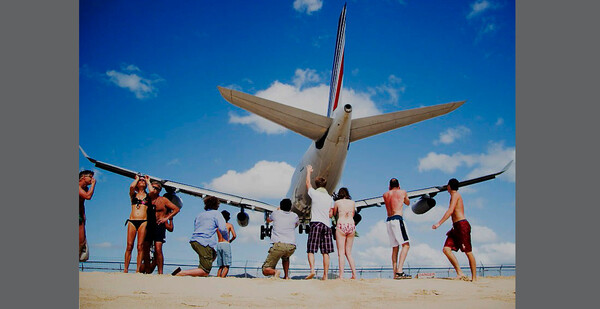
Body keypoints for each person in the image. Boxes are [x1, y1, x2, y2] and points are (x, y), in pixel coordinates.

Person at [432, 178, 477, 282]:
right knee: (446, 249)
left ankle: (474, 278)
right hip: (455, 227)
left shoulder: (455, 195)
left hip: (462, 225)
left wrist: (439, 223)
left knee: (468, 252)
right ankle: (459, 272)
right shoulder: (453, 195)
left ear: (449, 186)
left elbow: (451, 210)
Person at [172, 196, 228, 277]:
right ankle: (181, 273)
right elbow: (223, 228)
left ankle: (199, 271)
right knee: (205, 271)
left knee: (213, 254)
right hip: (205, 242)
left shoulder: (200, 215)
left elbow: (196, 226)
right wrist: (226, 238)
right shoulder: (217, 213)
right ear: (217, 205)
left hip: (194, 241)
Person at [142, 180, 180, 274]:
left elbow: (176, 209)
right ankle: (147, 270)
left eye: (156, 188)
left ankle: (160, 272)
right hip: (150, 225)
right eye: (152, 187)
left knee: (158, 248)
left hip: (159, 225)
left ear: (159, 190)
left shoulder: (163, 200)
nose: (153, 189)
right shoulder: (147, 199)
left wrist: (166, 218)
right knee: (145, 247)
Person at [304, 165, 334, 280]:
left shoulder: (315, 194)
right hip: (327, 225)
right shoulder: (330, 199)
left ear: (317, 185)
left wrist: (308, 172)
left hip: (316, 223)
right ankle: (325, 275)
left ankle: (312, 270)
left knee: (311, 249)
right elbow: (331, 214)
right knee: (325, 252)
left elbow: (307, 183)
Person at [124, 174, 156, 273]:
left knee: (140, 246)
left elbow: (152, 191)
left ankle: (137, 270)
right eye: (140, 181)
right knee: (129, 246)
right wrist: (137, 178)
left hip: (143, 221)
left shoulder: (148, 196)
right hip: (132, 220)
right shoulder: (133, 194)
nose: (141, 182)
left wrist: (148, 181)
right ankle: (125, 269)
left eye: (143, 181)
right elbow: (131, 187)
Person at [262, 198, 300, 279]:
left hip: (279, 245)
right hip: (291, 246)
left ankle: (275, 272)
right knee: (285, 257)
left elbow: (268, 220)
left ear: (281, 206)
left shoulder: (276, 213)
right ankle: (286, 276)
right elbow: (296, 225)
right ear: (290, 207)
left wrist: (277, 210)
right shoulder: (295, 216)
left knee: (265, 270)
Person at [383, 178, 412, 279]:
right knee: (406, 245)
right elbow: (408, 203)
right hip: (397, 218)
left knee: (395, 247)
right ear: (399, 186)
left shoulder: (385, 194)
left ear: (389, 186)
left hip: (389, 220)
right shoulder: (402, 192)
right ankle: (400, 270)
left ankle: (395, 273)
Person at [333, 187, 357, 279]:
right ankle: (354, 274)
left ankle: (341, 275)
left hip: (341, 225)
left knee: (341, 253)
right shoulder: (352, 202)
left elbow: (335, 213)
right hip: (351, 225)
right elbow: (353, 214)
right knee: (349, 253)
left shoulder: (337, 202)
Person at [78, 170, 96, 262]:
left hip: (79, 215)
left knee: (82, 241)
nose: (92, 179)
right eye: (90, 176)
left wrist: (83, 215)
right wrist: (93, 185)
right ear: (83, 177)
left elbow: (82, 204)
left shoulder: (84, 188)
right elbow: (88, 197)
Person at [216, 210, 237, 278]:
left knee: (220, 266)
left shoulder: (217, 226)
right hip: (225, 243)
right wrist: (230, 240)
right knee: (226, 265)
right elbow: (234, 235)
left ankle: (218, 278)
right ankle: (222, 279)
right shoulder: (229, 225)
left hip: (219, 244)